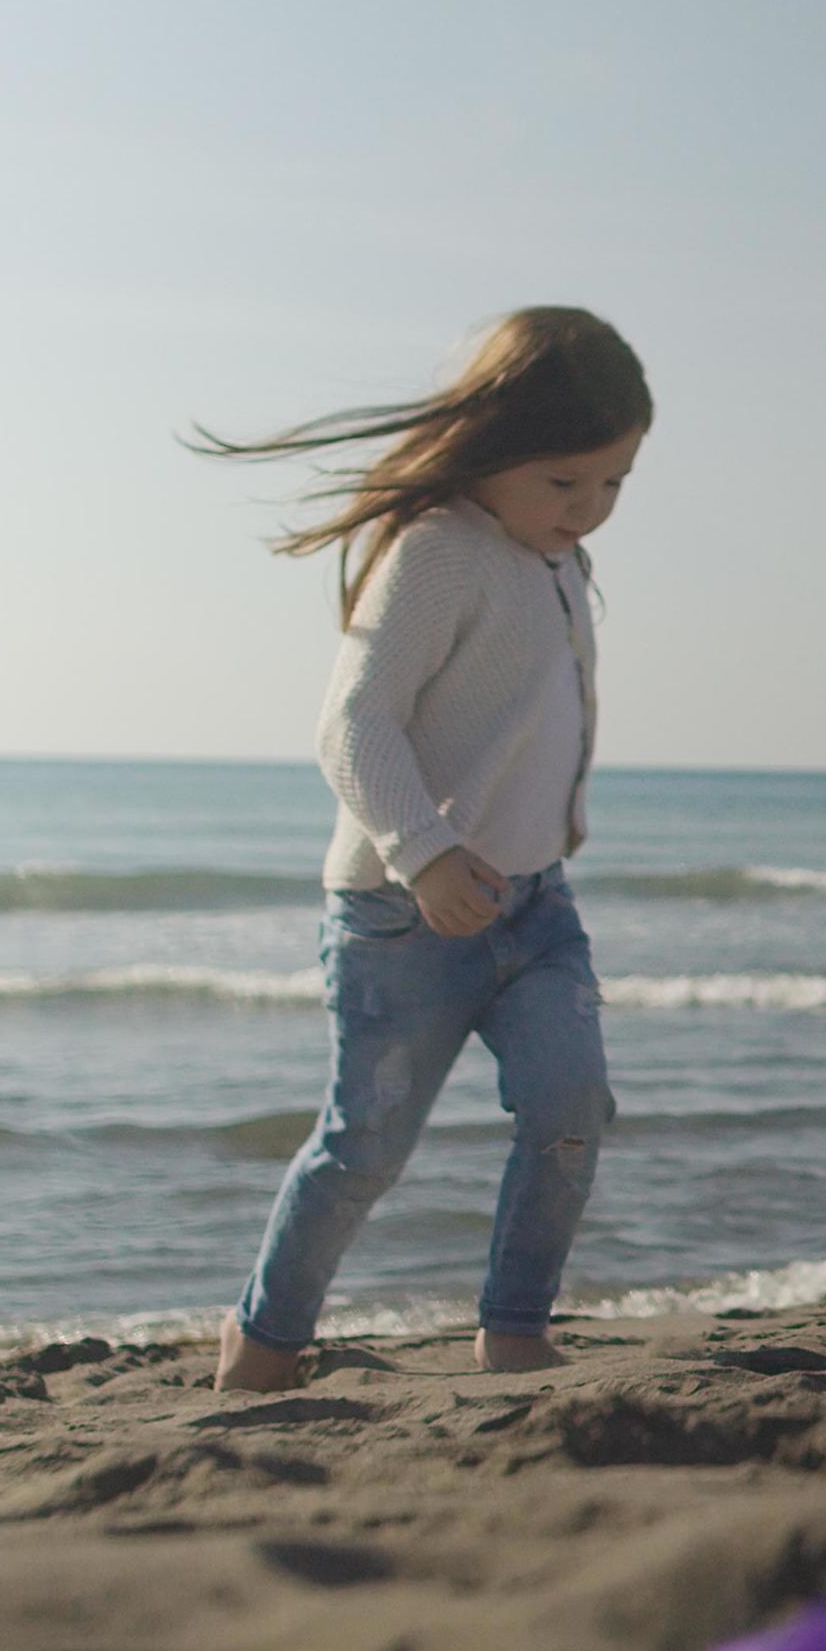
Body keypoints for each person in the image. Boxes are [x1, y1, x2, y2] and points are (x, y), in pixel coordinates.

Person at [191, 309, 652, 1389]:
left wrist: (552, 834)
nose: (588, 511)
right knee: (365, 1149)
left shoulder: (555, 560)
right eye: (563, 483)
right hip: (403, 918)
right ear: (489, 447)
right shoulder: (439, 552)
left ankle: (513, 1324)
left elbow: (547, 712)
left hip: (534, 908)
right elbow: (349, 725)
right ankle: (263, 1338)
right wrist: (426, 852)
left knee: (570, 1108)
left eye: (613, 486)